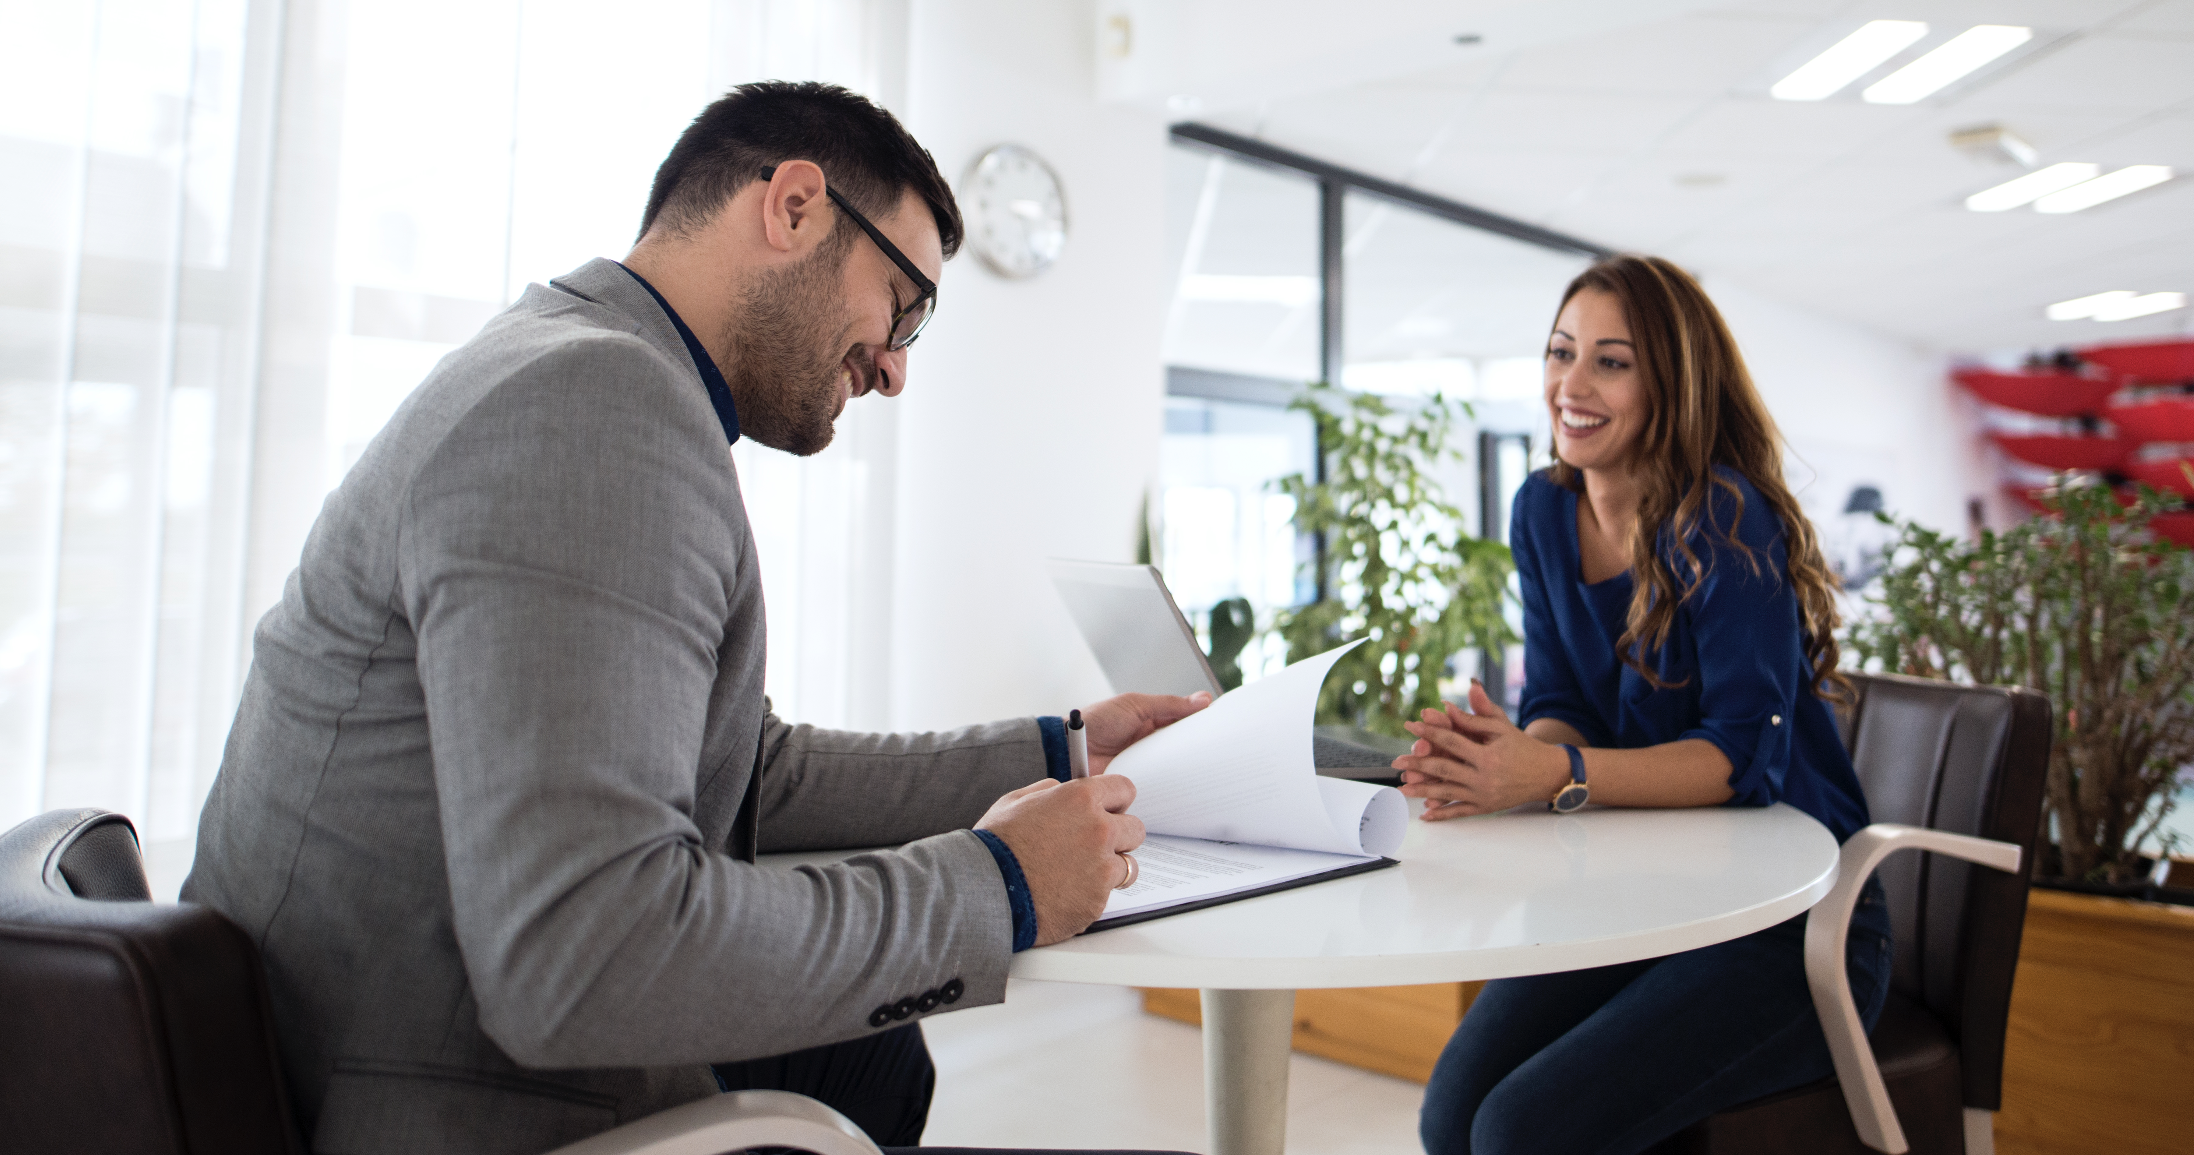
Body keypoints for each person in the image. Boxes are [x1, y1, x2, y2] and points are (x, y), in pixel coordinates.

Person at [183, 82, 1207, 1155]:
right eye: (904, 306)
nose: (896, 368)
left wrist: (1068, 749)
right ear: (795, 207)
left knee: (872, 1056)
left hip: (374, 1030)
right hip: (437, 1094)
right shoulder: (591, 409)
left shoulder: (576, 363)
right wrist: (999, 885)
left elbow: (749, 770)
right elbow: (583, 952)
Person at [1395, 254, 1892, 1155]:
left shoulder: (1726, 518)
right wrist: (1505, 762)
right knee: (1451, 1113)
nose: (1570, 385)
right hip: (1644, 899)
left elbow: (1743, 759)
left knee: (1520, 1130)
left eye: (1610, 362)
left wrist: (1552, 771)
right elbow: (1561, 699)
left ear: (1671, 383)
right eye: (1560, 351)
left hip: (1791, 925)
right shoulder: (1542, 509)